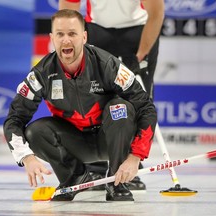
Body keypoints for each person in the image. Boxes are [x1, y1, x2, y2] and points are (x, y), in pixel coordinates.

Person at [3, 9, 157, 202]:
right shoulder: (41, 74)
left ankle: (116, 182)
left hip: (111, 139)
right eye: (60, 34)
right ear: (52, 38)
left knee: (120, 108)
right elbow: (14, 120)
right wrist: (26, 157)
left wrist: (135, 157)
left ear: (84, 37)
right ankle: (73, 176)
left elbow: (146, 108)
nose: (66, 40)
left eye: (72, 34)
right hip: (76, 142)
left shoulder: (107, 64)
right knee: (35, 132)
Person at [59, 0, 165, 190]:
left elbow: (156, 13)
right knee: (92, 96)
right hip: (98, 31)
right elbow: (67, 13)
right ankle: (95, 166)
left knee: (137, 100)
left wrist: (140, 55)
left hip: (138, 32)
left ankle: (130, 167)